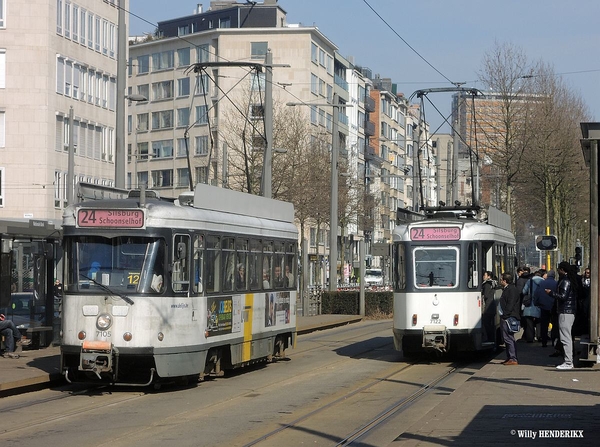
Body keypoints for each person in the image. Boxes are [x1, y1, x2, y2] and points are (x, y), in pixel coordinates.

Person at [545, 261, 580, 370]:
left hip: (565, 311)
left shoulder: (565, 281)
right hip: (569, 311)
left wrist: (551, 293)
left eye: (559, 269)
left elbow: (562, 296)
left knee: (565, 337)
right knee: (567, 336)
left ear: (562, 270)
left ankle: (568, 362)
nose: (558, 271)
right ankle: (568, 361)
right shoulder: (570, 280)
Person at [499, 272, 520, 365]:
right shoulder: (508, 289)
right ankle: (509, 357)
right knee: (506, 337)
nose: (500, 281)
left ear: (505, 281)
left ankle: (513, 358)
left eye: (501, 279)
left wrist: (505, 315)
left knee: (508, 337)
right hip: (508, 316)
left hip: (509, 317)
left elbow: (510, 303)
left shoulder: (511, 290)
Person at [533, 270, 558, 348]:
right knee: (555, 324)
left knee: (544, 325)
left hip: (543, 306)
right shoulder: (556, 283)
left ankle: (544, 342)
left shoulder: (542, 283)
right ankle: (554, 341)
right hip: (553, 306)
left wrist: (536, 303)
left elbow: (536, 294)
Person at [520, 269, 544, 342]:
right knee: (539, 322)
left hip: (529, 305)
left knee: (529, 323)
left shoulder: (529, 281)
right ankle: (539, 336)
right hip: (540, 305)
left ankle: (530, 338)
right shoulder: (543, 282)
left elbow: (524, 291)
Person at [481, 271, 497, 343]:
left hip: (488, 306)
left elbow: (486, 295)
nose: (483, 277)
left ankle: (489, 338)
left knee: (486, 323)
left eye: (485, 275)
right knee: (490, 323)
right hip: (492, 306)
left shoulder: (487, 284)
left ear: (489, 276)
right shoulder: (493, 283)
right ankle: (492, 338)